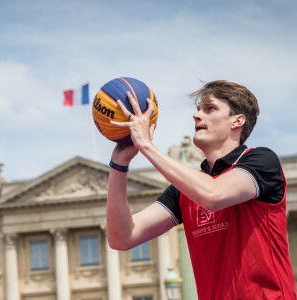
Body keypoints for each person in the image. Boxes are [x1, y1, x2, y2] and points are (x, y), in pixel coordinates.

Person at [106, 80, 296, 299]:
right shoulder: (184, 190)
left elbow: (214, 195)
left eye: (210, 109)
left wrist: (146, 146)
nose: (196, 116)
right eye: (197, 110)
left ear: (237, 120)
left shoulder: (261, 161)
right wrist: (118, 165)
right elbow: (122, 237)